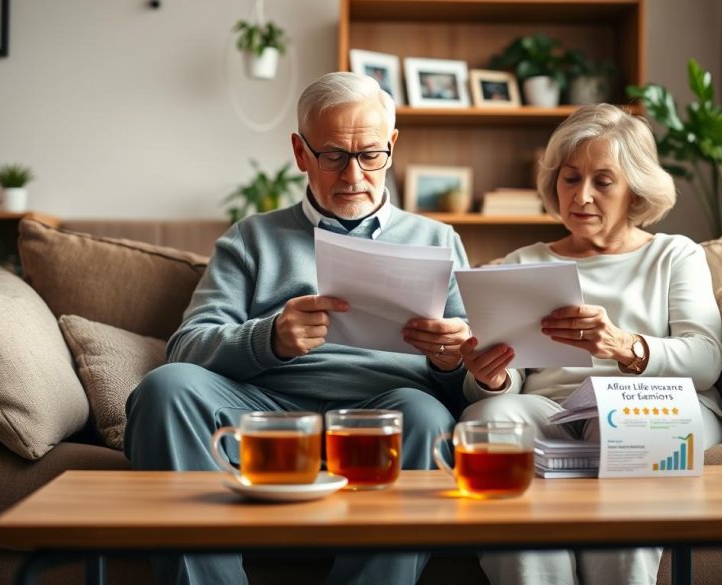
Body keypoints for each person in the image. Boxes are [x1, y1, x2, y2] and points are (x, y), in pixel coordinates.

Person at [123, 71, 472, 585]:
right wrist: (269, 339)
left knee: (424, 413)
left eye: (370, 155)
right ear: (300, 152)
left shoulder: (437, 239)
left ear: (392, 145)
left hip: (384, 417)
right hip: (268, 420)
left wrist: (451, 359)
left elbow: (470, 374)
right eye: (333, 155)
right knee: (166, 387)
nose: (353, 176)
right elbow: (186, 346)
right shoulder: (251, 238)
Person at [458, 103, 722, 585]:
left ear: (635, 189)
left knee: (621, 430)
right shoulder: (524, 262)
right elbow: (505, 382)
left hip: (653, 405)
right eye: (570, 178)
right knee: (486, 421)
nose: (581, 196)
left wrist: (624, 345)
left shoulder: (674, 255)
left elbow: (706, 360)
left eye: (602, 181)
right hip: (553, 409)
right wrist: (492, 377)